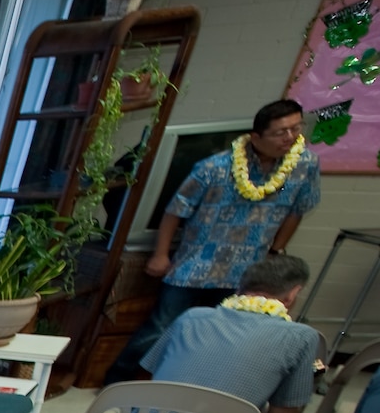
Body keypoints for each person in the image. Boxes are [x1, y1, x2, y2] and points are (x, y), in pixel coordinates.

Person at [107, 99, 320, 383]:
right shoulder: (215, 166)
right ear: (256, 136)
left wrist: (275, 250)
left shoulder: (305, 164)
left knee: (224, 337)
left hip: (247, 271)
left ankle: (193, 385)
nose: (290, 138)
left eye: (296, 128)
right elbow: (175, 210)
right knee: (161, 328)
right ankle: (117, 383)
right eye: (281, 132)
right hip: (196, 265)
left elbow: (297, 211)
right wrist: (160, 254)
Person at [125, 252, 322, 413]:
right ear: (292, 295)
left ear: (240, 288)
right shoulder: (302, 337)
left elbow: (147, 379)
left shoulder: (192, 317)